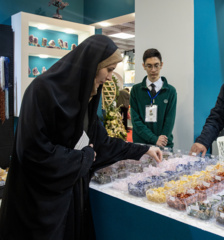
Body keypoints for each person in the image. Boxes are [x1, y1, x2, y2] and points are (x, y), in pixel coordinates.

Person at [0, 35, 162, 240]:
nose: (111, 77)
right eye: (109, 69)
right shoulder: (41, 90)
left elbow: (102, 143)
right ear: (92, 65)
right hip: (39, 204)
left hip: (69, 198)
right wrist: (83, 158)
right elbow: (32, 152)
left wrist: (142, 149)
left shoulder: (85, 99)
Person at [130, 48, 177, 148]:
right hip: (141, 145)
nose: (153, 70)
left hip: (164, 145)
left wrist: (161, 141)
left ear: (161, 65)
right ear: (144, 66)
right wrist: (154, 139)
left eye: (156, 65)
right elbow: (136, 121)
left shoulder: (171, 91)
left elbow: (169, 120)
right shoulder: (135, 90)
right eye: (149, 66)